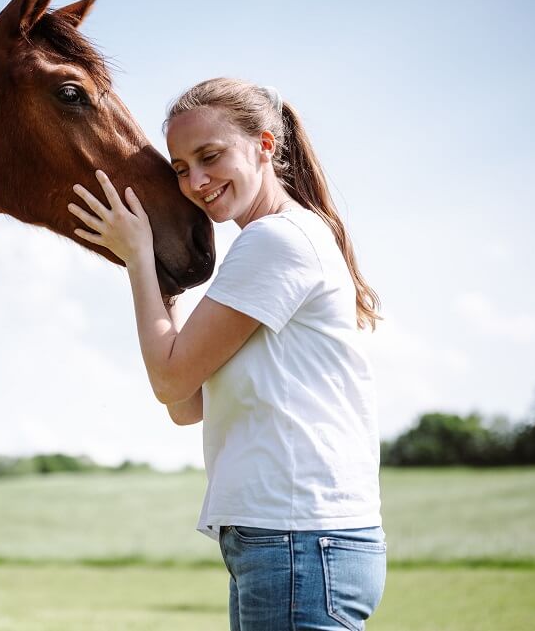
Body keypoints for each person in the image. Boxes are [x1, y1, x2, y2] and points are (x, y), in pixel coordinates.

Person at [68, 78, 386, 631]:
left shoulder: (275, 242)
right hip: (285, 541)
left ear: (265, 145)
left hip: (298, 540)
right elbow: (187, 403)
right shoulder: (272, 244)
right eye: (181, 167)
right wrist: (159, 268)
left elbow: (169, 382)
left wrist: (139, 257)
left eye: (210, 156)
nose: (196, 181)